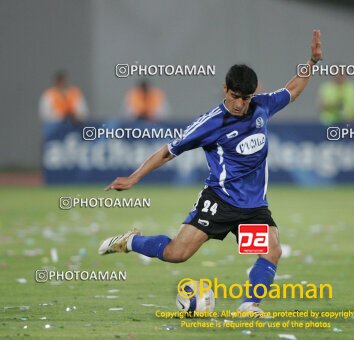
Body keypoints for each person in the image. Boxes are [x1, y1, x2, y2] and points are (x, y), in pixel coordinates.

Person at [98, 30, 323, 316]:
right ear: (225, 89)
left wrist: (312, 62)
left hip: (253, 209)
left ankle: (248, 305)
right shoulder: (211, 123)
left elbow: (292, 89)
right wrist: (134, 177)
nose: (241, 104)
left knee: (272, 250)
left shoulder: (262, 107)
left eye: (246, 98)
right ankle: (129, 241)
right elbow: (168, 150)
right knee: (176, 254)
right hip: (219, 202)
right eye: (235, 96)